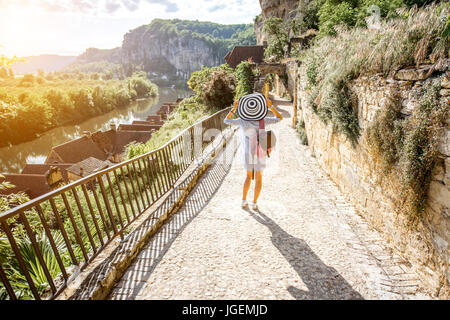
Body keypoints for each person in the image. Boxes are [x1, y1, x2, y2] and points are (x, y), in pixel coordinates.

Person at [224, 94, 283, 210]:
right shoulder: (263, 120)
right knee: (259, 177)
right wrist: (271, 107)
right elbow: (279, 118)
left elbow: (226, 120)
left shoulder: (242, 121)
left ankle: (243, 200)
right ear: (260, 108)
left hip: (248, 152)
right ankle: (254, 202)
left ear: (245, 109)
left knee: (248, 176)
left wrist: (234, 109)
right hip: (260, 151)